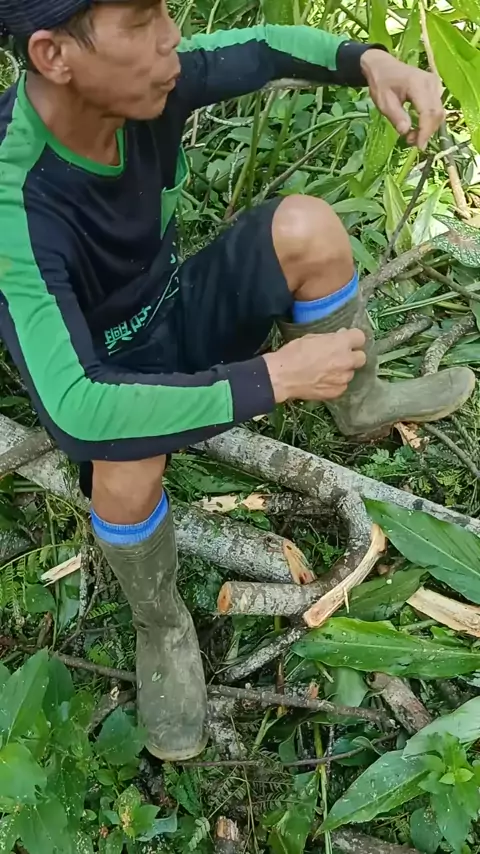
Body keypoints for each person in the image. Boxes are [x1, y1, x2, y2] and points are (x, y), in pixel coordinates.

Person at [0, 0, 474, 760]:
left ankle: (361, 403)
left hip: (176, 308)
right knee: (123, 467)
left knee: (307, 228)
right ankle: (161, 623)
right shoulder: (15, 198)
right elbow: (78, 409)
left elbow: (265, 45)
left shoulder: (149, 85)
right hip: (107, 374)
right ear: (55, 55)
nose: (171, 37)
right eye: (141, 20)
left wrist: (368, 61)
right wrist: (273, 377)